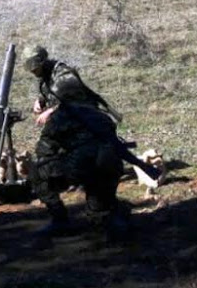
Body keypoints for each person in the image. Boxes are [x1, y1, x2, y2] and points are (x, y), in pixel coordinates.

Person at [22, 45, 128, 239]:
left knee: (38, 172)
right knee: (101, 205)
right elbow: (63, 97)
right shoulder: (100, 119)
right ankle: (113, 215)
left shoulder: (59, 117)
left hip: (87, 165)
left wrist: (51, 113)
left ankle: (60, 220)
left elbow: (44, 151)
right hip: (110, 164)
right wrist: (43, 102)